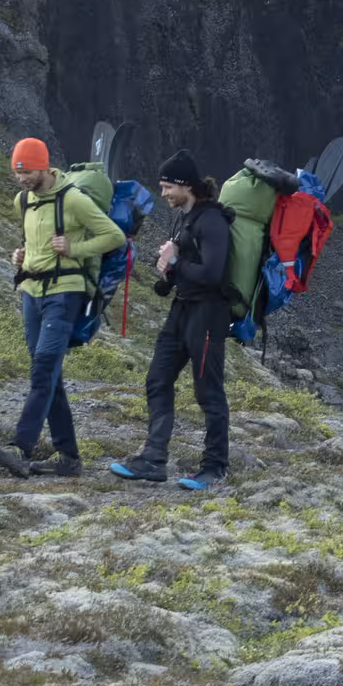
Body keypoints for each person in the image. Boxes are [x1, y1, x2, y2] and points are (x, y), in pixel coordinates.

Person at [0, 136, 125, 480]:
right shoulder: (22, 201)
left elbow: (114, 237)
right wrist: (20, 256)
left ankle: (21, 447)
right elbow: (31, 239)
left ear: (44, 166)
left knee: (44, 366)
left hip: (66, 292)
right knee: (49, 374)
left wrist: (75, 247)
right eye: (17, 173)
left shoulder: (74, 200)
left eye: (28, 172)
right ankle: (68, 458)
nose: (22, 179)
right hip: (31, 292)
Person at [110, 149, 231, 490]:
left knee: (208, 392)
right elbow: (183, 265)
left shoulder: (212, 220)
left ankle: (214, 467)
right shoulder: (184, 218)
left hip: (208, 314)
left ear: (185, 186)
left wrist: (175, 263)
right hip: (182, 309)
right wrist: (166, 268)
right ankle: (152, 459)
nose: (162, 193)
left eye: (167, 187)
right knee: (157, 379)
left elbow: (213, 273)